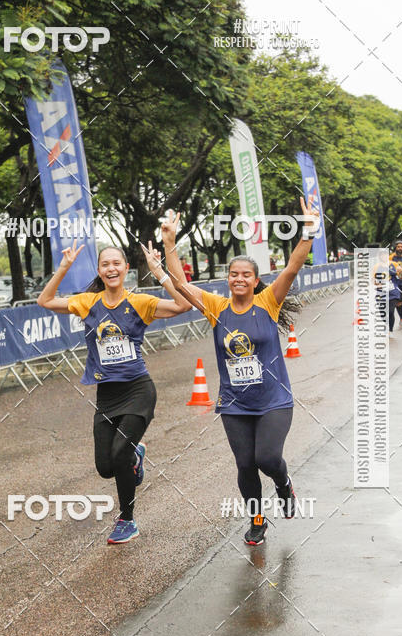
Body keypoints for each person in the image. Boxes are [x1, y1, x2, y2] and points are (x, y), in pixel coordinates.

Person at [161, 199, 319, 546]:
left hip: (273, 400)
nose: (239, 279)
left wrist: (308, 229)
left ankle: (283, 484)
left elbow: (293, 267)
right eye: (234, 275)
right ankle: (257, 520)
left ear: (255, 280)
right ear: (228, 279)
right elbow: (180, 284)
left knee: (266, 458)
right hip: (235, 404)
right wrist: (170, 243)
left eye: (246, 274)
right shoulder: (217, 308)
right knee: (245, 465)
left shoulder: (268, 302)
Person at [37, 240, 191, 544]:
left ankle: (127, 519)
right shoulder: (88, 302)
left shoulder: (140, 302)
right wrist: (64, 267)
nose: (111, 268)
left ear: (126, 269)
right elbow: (45, 300)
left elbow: (182, 305)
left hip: (138, 390)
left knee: (119, 454)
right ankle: (136, 454)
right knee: (106, 468)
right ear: (99, 270)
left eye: (116, 263)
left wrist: (159, 272)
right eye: (105, 264)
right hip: (107, 396)